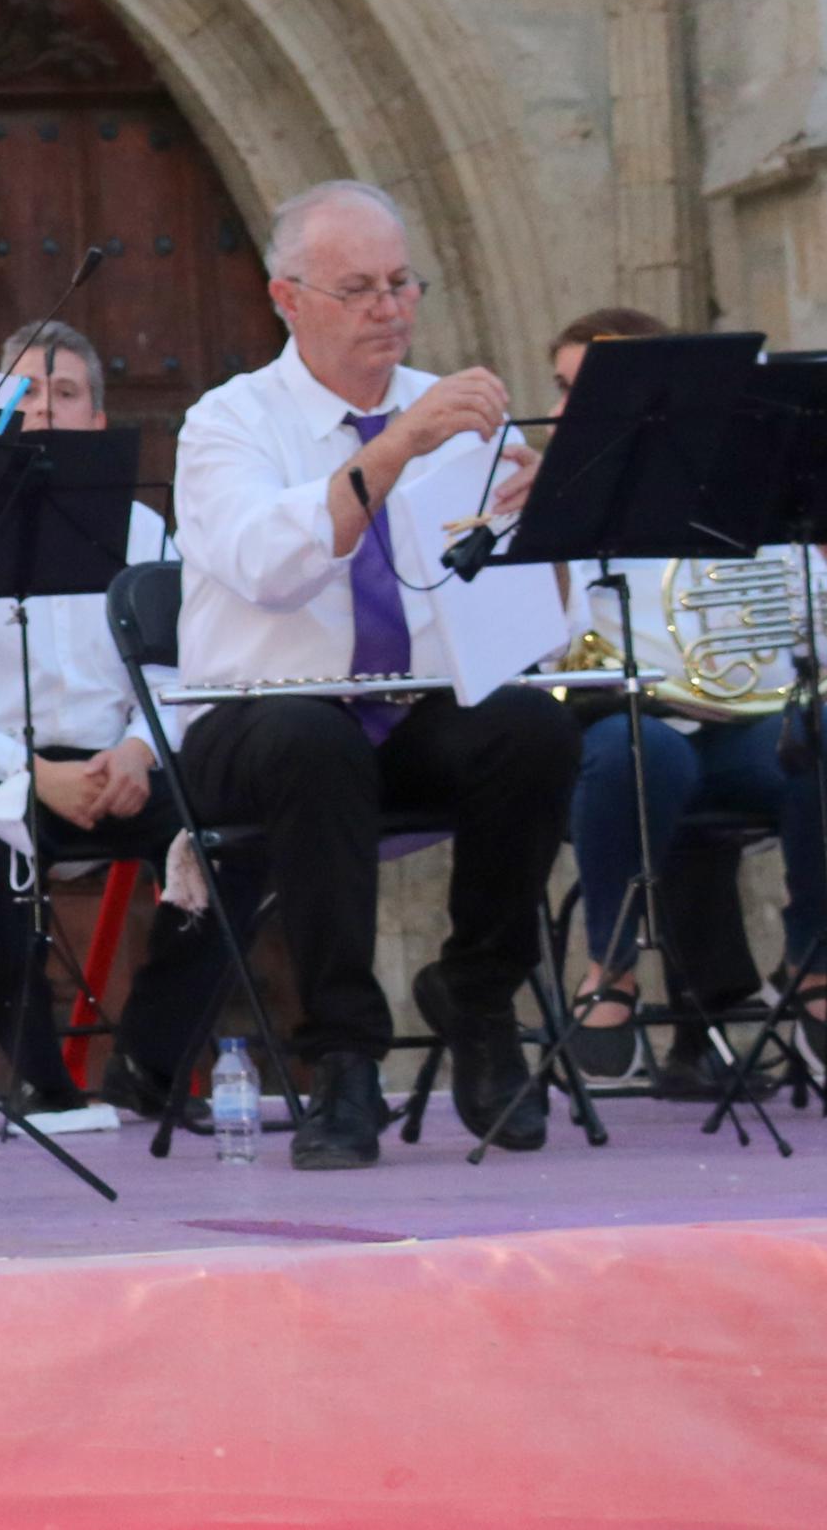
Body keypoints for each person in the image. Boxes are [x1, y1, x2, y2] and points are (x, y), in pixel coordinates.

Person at [168, 180, 576, 1168]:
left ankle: (477, 994)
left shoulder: (454, 413)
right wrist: (396, 447)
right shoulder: (227, 422)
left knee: (530, 725)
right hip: (252, 721)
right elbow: (269, 568)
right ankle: (341, 1055)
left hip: (401, 716)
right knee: (310, 739)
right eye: (357, 288)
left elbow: (532, 635)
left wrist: (542, 525)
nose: (387, 308)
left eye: (401, 283)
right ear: (286, 298)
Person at [0, 318, 227, 1117]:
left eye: (63, 394)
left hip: (115, 767)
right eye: (24, 394)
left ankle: (150, 1058)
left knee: (237, 828)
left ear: (95, 420)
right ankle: (40, 1079)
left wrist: (138, 750)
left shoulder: (141, 531)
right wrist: (29, 774)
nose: (41, 411)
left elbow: (182, 669)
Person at [539, 308, 827, 1094]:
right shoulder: (546, 498)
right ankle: (613, 963)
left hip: (740, 729)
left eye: (586, 390)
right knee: (645, 748)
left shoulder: (752, 489)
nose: (564, 410)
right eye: (562, 389)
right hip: (613, 731)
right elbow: (523, 654)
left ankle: (812, 952)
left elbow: (824, 658)